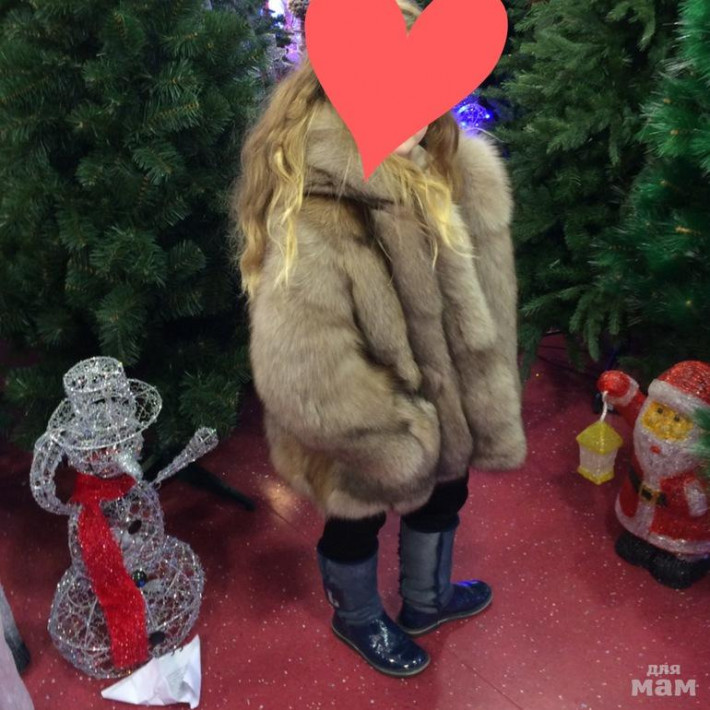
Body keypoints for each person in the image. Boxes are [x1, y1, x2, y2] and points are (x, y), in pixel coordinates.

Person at [230, 0, 526, 678]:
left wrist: (478, 394)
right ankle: (357, 614)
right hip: (373, 428)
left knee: (448, 495)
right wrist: (399, 436)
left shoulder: (453, 170)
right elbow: (304, 370)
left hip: (449, 402)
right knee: (356, 516)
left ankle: (427, 598)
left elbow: (482, 294)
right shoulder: (319, 211)